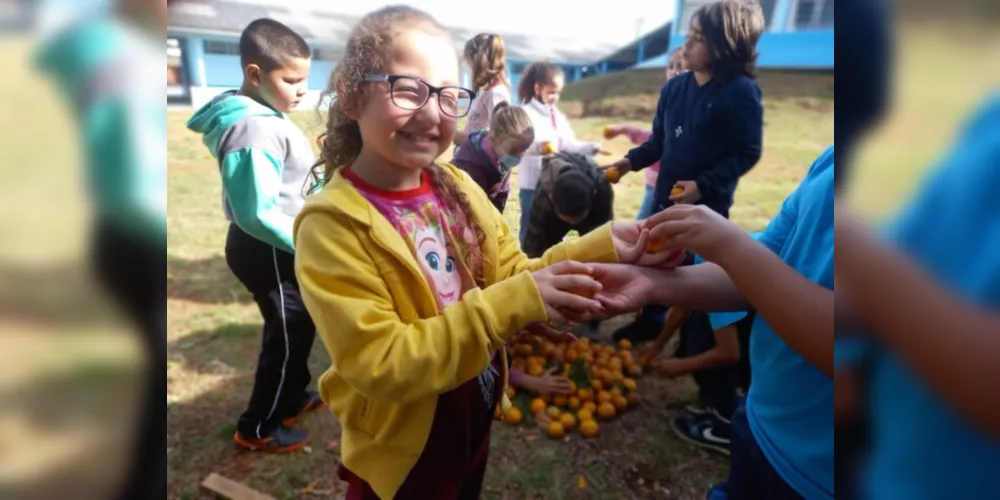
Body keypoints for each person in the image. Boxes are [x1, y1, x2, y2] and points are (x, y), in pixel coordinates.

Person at [293, 6, 665, 499]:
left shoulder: (459, 187)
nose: (431, 113)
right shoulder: (332, 226)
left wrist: (606, 246)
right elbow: (381, 362)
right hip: (404, 443)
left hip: (475, 404)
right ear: (351, 94)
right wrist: (510, 305)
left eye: (449, 96)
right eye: (407, 88)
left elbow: (516, 276)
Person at [588, 145, 835, 499]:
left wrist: (730, 247)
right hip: (762, 424)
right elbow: (763, 265)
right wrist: (650, 284)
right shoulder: (832, 159)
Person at [34, 0, 167, 497]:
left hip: (118, 236)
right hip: (138, 239)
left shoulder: (105, 47)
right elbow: (133, 188)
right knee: (154, 399)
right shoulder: (122, 62)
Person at [186, 18, 324, 452]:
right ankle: (258, 426)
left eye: (306, 78)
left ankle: (293, 396)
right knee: (288, 333)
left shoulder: (267, 114)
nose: (303, 89)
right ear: (254, 74)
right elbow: (255, 213)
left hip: (279, 244)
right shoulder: (253, 127)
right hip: (268, 248)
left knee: (300, 327)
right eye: (292, 79)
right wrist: (308, 243)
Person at [604, 0, 765, 343]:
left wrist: (702, 185)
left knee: (700, 275)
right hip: (666, 200)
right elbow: (659, 141)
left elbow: (747, 152)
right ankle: (650, 320)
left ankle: (698, 342)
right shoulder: (674, 88)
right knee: (657, 262)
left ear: (725, 45)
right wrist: (629, 162)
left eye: (697, 38)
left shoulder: (740, 93)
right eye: (689, 35)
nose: (687, 44)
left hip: (707, 208)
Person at [516, 61, 603, 244]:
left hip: (555, 185)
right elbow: (519, 145)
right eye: (551, 91)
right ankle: (526, 266)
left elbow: (568, 144)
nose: (555, 97)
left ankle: (553, 264)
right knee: (531, 230)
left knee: (554, 231)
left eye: (558, 93)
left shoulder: (558, 116)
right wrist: (538, 147)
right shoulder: (525, 114)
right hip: (533, 186)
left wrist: (590, 147)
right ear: (538, 88)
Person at [604, 47, 686, 220]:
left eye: (681, 66)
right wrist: (630, 157)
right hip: (657, 184)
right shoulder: (668, 99)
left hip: (682, 188)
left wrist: (625, 129)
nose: (674, 71)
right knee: (645, 227)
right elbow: (656, 139)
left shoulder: (691, 104)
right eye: (671, 66)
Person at [521, 152, 614, 258]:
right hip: (552, 215)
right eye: (568, 219)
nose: (572, 223)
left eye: (577, 218)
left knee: (597, 250)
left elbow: (603, 243)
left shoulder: (602, 191)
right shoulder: (544, 195)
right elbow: (534, 242)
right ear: (552, 198)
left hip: (592, 212)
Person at [450, 101, 534, 212]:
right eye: (513, 151)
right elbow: (467, 205)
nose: (519, 156)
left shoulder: (502, 156)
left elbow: (501, 192)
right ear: (494, 140)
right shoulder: (471, 165)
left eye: (524, 149)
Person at [453, 33, 511, 145]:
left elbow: (500, 137)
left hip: (479, 161)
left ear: (476, 62)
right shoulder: (486, 91)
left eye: (469, 64)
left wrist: (463, 138)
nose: (470, 70)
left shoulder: (496, 94)